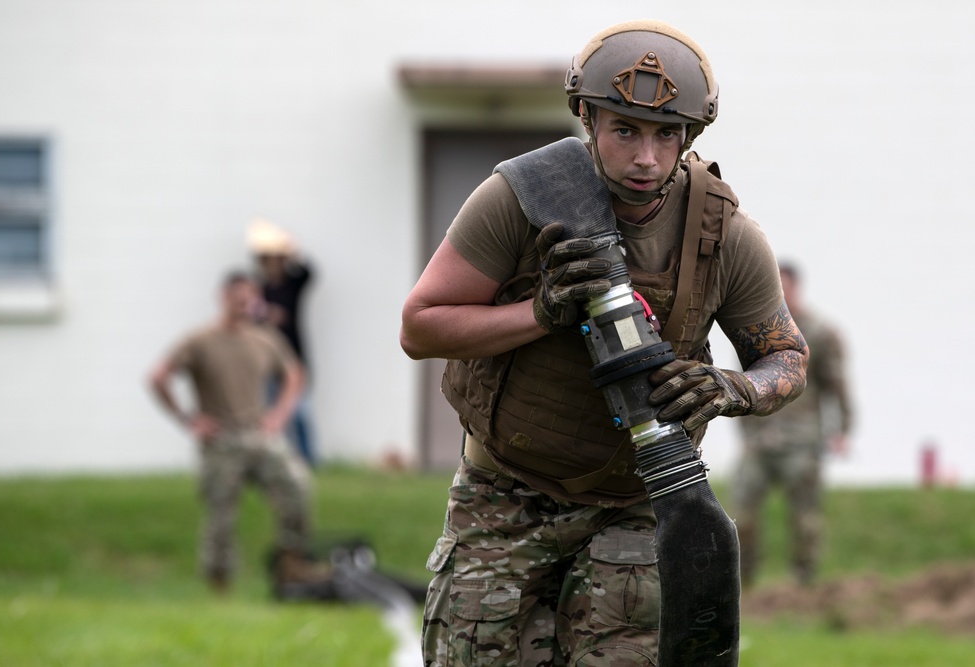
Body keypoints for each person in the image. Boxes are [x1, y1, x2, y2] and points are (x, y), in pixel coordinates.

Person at [399, 19, 808, 665]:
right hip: (506, 488)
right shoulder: (521, 196)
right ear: (587, 118)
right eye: (625, 130)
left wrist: (734, 388)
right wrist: (540, 313)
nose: (646, 157)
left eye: (666, 134)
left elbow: (785, 356)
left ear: (690, 135)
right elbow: (420, 327)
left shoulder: (723, 234)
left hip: (640, 501)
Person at [149, 270, 315, 594]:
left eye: (250, 299)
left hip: (260, 435)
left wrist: (278, 415)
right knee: (221, 517)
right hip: (221, 439)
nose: (244, 305)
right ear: (223, 298)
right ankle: (219, 587)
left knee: (298, 487)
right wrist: (188, 419)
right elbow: (158, 377)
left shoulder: (264, 339)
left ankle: (291, 568)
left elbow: (294, 374)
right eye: (238, 298)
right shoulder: (199, 341)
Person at [733, 262, 854, 588]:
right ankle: (744, 584)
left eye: (784, 287)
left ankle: (804, 583)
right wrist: (745, 433)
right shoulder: (753, 331)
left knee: (806, 518)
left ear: (796, 288)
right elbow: (743, 387)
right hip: (761, 440)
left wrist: (843, 430)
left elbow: (837, 386)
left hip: (802, 440)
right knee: (740, 516)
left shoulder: (820, 333)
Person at [247, 218, 319, 466]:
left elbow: (309, 272)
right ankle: (273, 460)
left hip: (294, 358)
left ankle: (309, 461)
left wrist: (289, 249)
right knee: (270, 413)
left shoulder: (292, 284)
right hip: (267, 361)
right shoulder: (257, 288)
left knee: (299, 413)